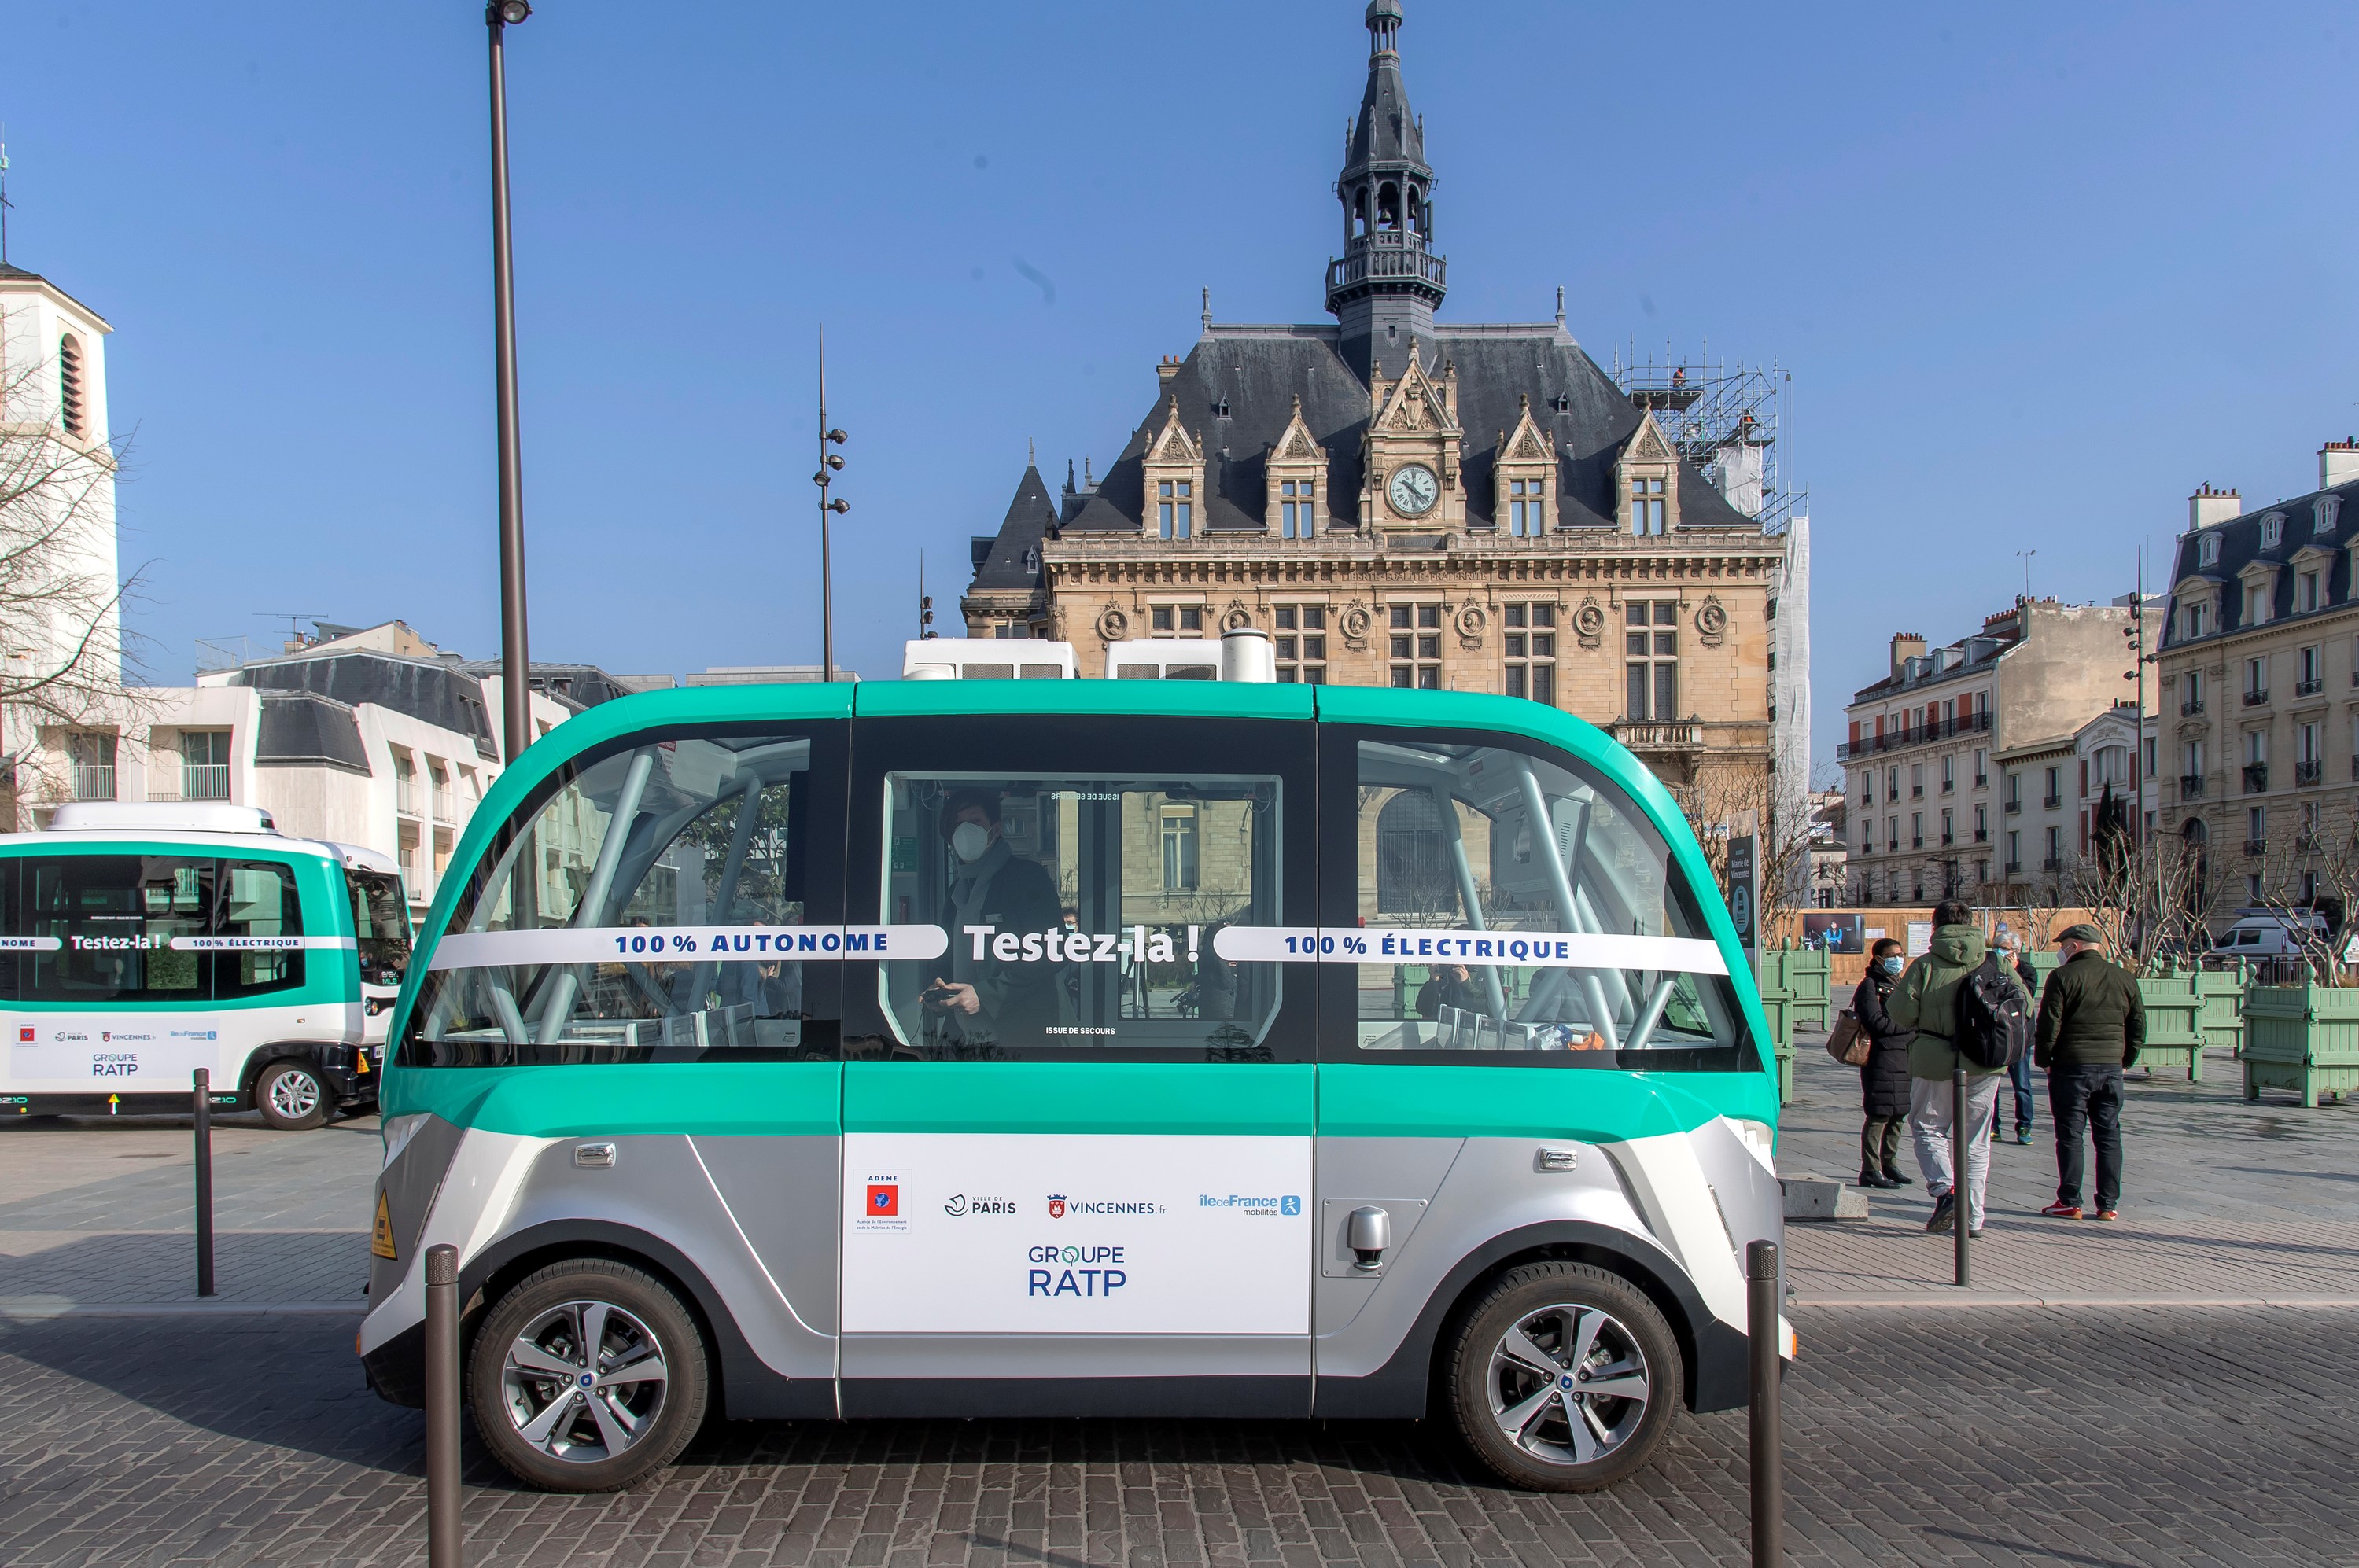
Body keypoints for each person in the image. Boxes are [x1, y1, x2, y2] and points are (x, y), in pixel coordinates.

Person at [1888, 900, 2029, 1238]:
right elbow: (2025, 1002)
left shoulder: (1925, 965)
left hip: (1934, 1058)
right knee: (1977, 1140)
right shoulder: (1996, 961)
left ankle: (1945, 1190)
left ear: (1935, 927)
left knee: (1927, 1126)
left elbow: (1900, 1013)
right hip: (1985, 1059)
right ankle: (1973, 1219)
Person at [923, 789, 1062, 1047]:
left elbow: (1052, 952)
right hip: (963, 1037)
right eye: (957, 824)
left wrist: (985, 995)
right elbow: (947, 954)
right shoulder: (957, 891)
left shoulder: (1026, 878)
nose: (965, 831)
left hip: (1019, 1035)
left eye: (975, 821)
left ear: (995, 829)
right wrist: (938, 986)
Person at [2036, 922, 2143, 1222]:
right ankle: (2108, 1204)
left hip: (2072, 1067)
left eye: (2062, 945)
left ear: (2075, 946)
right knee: (2109, 1135)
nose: (2060, 950)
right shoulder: (2125, 977)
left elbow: (2049, 1024)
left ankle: (2070, 1200)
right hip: (2111, 1068)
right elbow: (2138, 1026)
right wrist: (2126, 1060)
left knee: (2070, 1134)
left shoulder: (2062, 977)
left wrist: (2044, 1059)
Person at [1852, 937, 1915, 1189]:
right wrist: (1907, 1029)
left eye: (1901, 954)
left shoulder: (1899, 983)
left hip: (1903, 1057)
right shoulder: (1870, 985)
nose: (1898, 959)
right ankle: (1870, 1168)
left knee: (1899, 1112)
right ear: (1878, 958)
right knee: (1879, 1113)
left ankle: (1890, 1163)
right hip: (1881, 1057)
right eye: (1892, 955)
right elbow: (1875, 1021)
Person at [1989, 929, 2039, 1147]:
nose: (2000, 953)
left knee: (2022, 1084)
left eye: (2005, 949)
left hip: (2020, 1037)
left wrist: (2015, 970)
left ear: (2016, 951)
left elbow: (2026, 996)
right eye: (1997, 948)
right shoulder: (1991, 970)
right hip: (1998, 1035)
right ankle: (1993, 1126)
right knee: (1993, 1085)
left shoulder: (2027, 971)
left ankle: (2024, 1125)